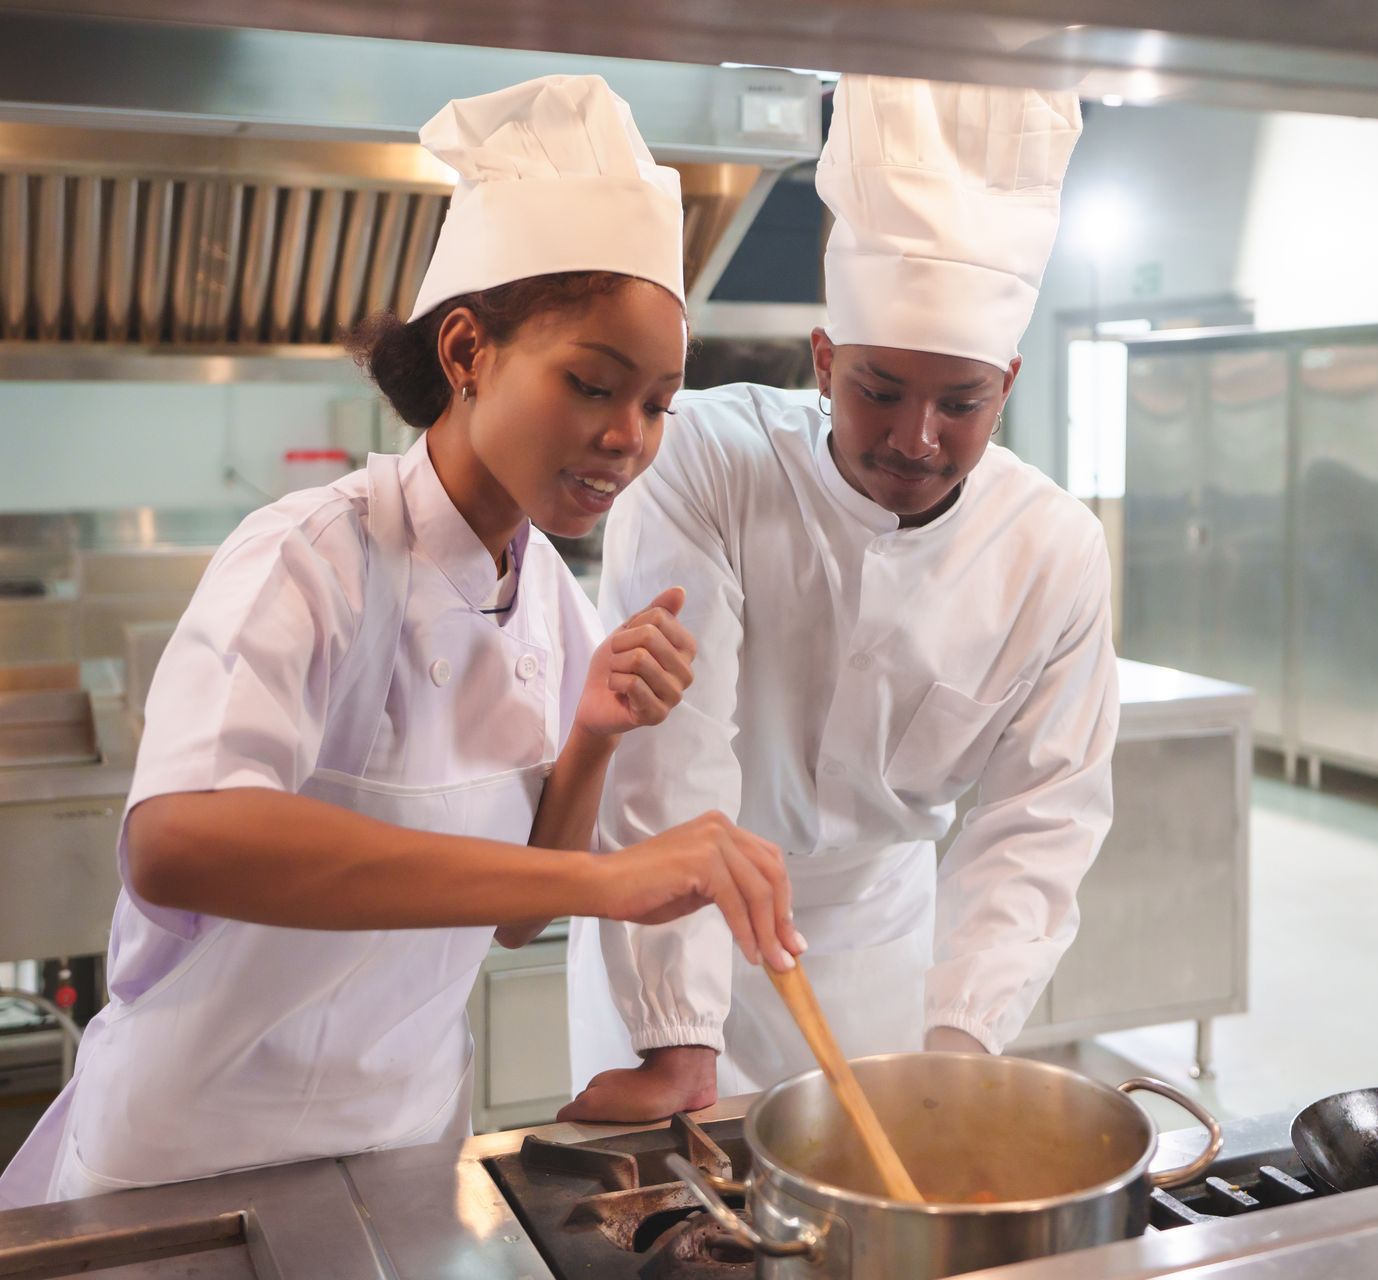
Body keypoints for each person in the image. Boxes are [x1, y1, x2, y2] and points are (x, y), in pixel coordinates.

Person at [0, 73, 798, 1208]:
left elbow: (517, 912)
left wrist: (590, 740)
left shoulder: (552, 604)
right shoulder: (313, 554)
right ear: (468, 351)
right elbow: (175, 841)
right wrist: (607, 878)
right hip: (190, 1154)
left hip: (400, 1140)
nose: (628, 437)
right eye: (592, 384)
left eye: (660, 402)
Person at [564, 74, 1116, 1119]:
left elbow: (1038, 819)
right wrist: (681, 1035)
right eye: (879, 390)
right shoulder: (707, 463)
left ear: (1009, 380)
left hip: (876, 953)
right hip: (671, 919)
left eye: (962, 404)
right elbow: (669, 751)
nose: (917, 439)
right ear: (825, 359)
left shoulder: (1053, 549)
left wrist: (961, 1038)